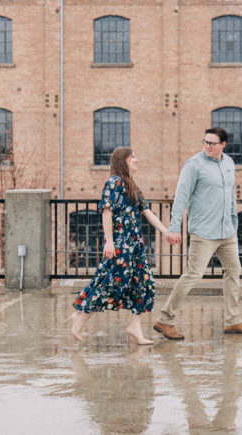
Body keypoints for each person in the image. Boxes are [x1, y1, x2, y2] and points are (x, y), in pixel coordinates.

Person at [152, 127, 242, 340]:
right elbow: (180, 198)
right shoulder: (193, 165)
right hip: (203, 232)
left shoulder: (229, 164)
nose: (207, 146)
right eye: (205, 142)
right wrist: (174, 228)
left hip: (227, 232)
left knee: (233, 271)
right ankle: (165, 320)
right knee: (193, 275)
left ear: (223, 144)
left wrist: (234, 221)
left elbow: (231, 196)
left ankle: (233, 320)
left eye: (212, 143)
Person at [67, 146, 171, 345]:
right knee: (110, 284)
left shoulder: (131, 184)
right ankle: (80, 315)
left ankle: (135, 327)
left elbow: (146, 211)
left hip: (135, 245)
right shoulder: (113, 183)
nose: (137, 160)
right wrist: (109, 242)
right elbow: (107, 212)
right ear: (122, 161)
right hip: (121, 245)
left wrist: (166, 232)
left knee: (143, 283)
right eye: (133, 157)